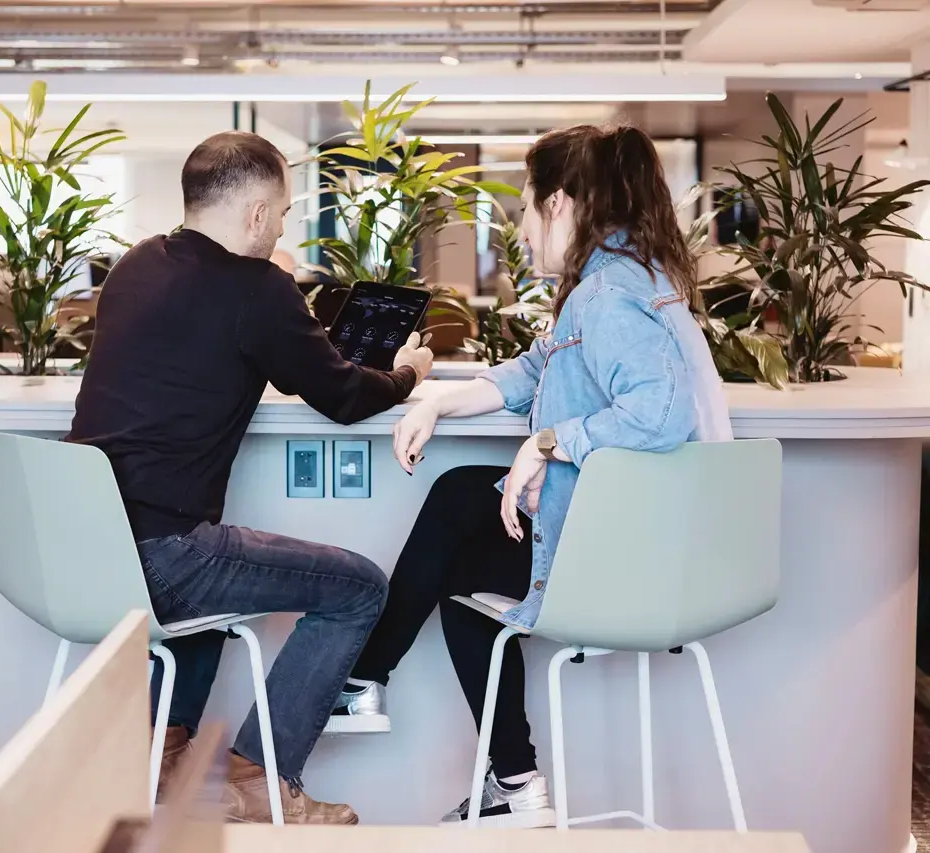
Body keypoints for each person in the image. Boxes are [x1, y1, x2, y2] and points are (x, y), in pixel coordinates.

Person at [327, 124, 733, 827]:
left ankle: (372, 682)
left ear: (562, 204)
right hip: (664, 546)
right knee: (461, 538)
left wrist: (548, 441)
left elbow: (659, 413)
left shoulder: (607, 295)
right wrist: (439, 399)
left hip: (642, 564)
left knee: (457, 513)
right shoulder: (623, 280)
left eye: (525, 204)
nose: (519, 224)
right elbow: (538, 366)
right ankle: (506, 778)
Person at [66, 130, 433, 825]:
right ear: (259, 215)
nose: (284, 226)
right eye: (285, 213)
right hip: (165, 555)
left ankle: (171, 770)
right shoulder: (258, 289)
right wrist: (410, 371)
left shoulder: (135, 265)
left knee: (208, 585)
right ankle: (265, 780)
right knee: (359, 586)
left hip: (91, 545)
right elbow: (347, 397)